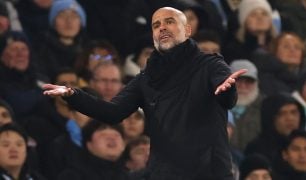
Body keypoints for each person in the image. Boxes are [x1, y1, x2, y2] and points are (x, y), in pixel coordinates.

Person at [43, 7, 246, 180]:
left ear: (187, 30)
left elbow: (227, 98)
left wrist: (226, 91)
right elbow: (113, 112)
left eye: (169, 22)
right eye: (156, 25)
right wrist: (73, 95)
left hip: (208, 174)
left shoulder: (211, 64)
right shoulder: (146, 78)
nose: (162, 28)